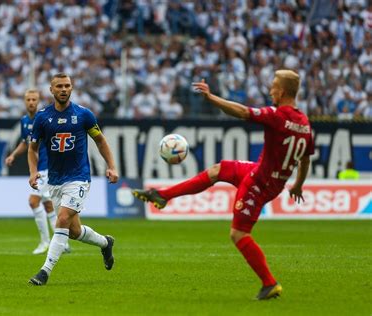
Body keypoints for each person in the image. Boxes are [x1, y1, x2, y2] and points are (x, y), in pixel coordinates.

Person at [133, 70, 314, 300]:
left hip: (260, 182)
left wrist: (212, 98)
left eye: (273, 86)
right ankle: (163, 195)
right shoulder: (305, 124)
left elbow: (241, 111)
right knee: (219, 170)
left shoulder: (278, 115)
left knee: (238, 234)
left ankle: (270, 283)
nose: (270, 91)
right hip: (267, 175)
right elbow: (305, 158)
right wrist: (298, 184)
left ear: (283, 91)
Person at [28, 73, 119, 285]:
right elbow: (32, 149)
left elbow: (101, 141)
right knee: (73, 231)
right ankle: (106, 243)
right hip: (55, 179)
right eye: (59, 86)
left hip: (79, 177)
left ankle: (45, 271)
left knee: (61, 219)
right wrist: (33, 171)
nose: (63, 89)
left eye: (67, 85)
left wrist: (112, 166)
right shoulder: (42, 118)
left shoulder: (84, 115)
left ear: (72, 88)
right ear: (51, 90)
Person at [5, 89, 70, 255]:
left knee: (33, 201)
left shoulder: (46, 119)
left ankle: (45, 242)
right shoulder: (25, 121)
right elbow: (25, 143)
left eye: (34, 99)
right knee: (48, 205)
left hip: (48, 167)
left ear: (39, 101)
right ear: (24, 102)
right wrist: (12, 155)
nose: (31, 102)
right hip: (40, 169)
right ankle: (63, 243)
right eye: (28, 99)